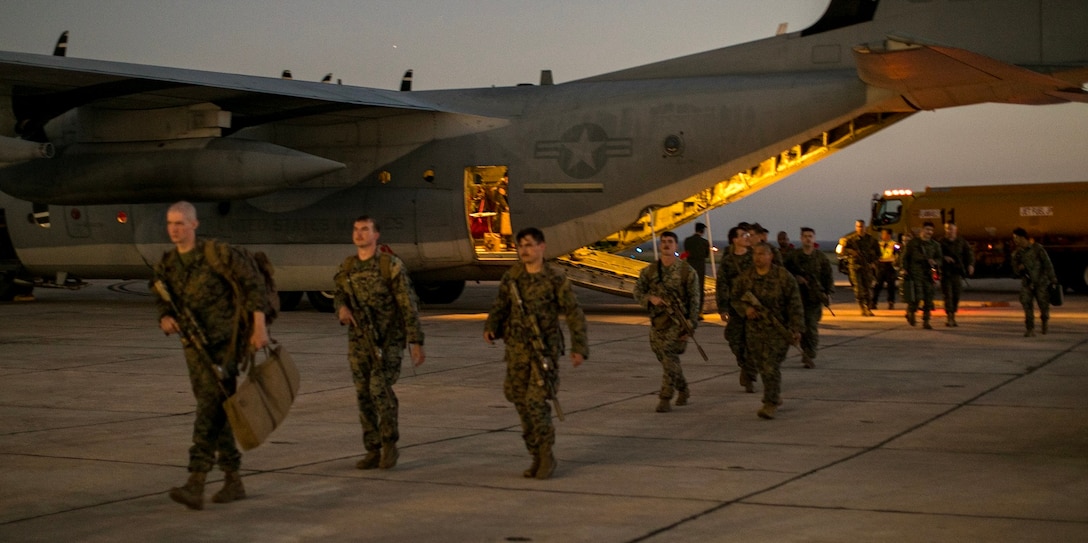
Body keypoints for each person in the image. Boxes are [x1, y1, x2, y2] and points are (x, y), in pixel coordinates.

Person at [153, 201, 270, 510]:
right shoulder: (167, 264)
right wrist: (165, 317)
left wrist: (259, 327)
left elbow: (253, 285)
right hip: (194, 349)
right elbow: (160, 294)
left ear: (194, 224)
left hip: (225, 346)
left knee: (209, 408)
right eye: (170, 223)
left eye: (180, 223)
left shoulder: (216, 255)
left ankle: (196, 481)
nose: (175, 229)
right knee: (219, 410)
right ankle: (233, 479)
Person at [484, 227, 588, 479]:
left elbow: (574, 312)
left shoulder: (554, 278)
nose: (524, 250)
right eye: (521, 246)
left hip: (544, 352)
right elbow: (500, 306)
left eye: (529, 245)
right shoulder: (512, 277)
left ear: (542, 247)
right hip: (517, 351)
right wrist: (490, 327)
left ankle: (546, 455)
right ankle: (535, 454)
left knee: (536, 402)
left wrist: (579, 347)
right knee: (518, 400)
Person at [334, 216, 425, 471]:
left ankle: (389, 444)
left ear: (376, 236)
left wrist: (415, 341)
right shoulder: (349, 266)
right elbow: (339, 291)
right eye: (356, 229)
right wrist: (341, 308)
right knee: (363, 394)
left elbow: (408, 304)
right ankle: (372, 449)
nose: (359, 234)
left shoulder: (390, 266)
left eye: (365, 230)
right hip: (359, 342)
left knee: (379, 389)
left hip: (388, 341)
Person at [731, 242, 803, 419]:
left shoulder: (783, 277)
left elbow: (795, 304)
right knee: (763, 366)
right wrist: (745, 309)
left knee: (771, 365)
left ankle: (769, 402)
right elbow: (734, 298)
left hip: (777, 330)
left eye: (762, 254)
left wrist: (796, 328)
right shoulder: (746, 277)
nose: (758, 257)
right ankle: (775, 395)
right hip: (754, 331)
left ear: (771, 256)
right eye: (755, 253)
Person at [634, 231, 701, 413]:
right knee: (665, 358)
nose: (666, 244)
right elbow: (637, 291)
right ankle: (684, 389)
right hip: (658, 323)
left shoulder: (687, 272)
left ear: (676, 246)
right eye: (663, 242)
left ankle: (665, 397)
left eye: (670, 242)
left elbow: (695, 301)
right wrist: (650, 298)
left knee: (669, 354)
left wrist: (691, 325)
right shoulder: (650, 271)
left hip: (678, 323)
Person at [783, 227, 833, 369]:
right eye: (805, 236)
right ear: (801, 238)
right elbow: (784, 272)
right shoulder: (794, 256)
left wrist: (828, 293)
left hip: (814, 298)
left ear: (814, 238)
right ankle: (805, 351)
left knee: (811, 326)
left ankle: (809, 354)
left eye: (810, 236)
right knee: (799, 327)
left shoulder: (820, 257)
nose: (808, 239)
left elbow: (828, 276)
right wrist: (795, 277)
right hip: (797, 298)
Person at [716, 226, 755, 392]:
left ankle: (749, 374)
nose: (746, 237)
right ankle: (745, 366)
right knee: (734, 339)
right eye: (742, 235)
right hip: (735, 308)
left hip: (755, 307)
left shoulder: (755, 257)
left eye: (747, 234)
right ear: (735, 240)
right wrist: (722, 308)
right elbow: (722, 284)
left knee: (754, 342)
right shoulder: (728, 261)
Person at [1012, 227, 1057, 337]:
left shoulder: (1037, 249)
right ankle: (1030, 328)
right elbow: (1015, 271)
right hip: (1027, 283)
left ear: (1022, 237)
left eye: (1016, 237)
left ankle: (1044, 321)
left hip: (1041, 282)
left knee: (1043, 305)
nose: (1014, 240)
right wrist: (1019, 268)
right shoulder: (1017, 253)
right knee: (1027, 305)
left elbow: (1047, 264)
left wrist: (1053, 279)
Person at [901, 221, 943, 329]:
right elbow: (905, 257)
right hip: (915, 273)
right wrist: (904, 269)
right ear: (922, 230)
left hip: (929, 274)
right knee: (917, 296)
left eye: (931, 230)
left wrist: (935, 262)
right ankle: (911, 312)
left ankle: (926, 320)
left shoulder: (935, 245)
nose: (929, 232)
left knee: (929, 297)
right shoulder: (913, 243)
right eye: (927, 230)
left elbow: (940, 258)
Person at [939, 222, 975, 327]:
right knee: (948, 295)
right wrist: (944, 258)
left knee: (956, 295)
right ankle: (950, 316)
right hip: (946, 273)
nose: (950, 231)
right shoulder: (941, 242)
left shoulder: (961, 241)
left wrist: (970, 265)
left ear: (956, 230)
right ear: (945, 230)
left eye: (952, 229)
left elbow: (969, 253)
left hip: (957, 273)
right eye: (948, 229)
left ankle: (953, 312)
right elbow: (936, 254)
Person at [842, 219, 879, 316]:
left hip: (867, 267)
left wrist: (873, 262)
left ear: (865, 227)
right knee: (858, 289)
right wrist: (851, 252)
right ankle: (863, 307)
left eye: (861, 226)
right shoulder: (850, 240)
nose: (860, 228)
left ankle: (867, 307)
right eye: (858, 226)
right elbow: (842, 251)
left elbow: (878, 253)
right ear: (855, 227)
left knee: (867, 288)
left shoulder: (871, 240)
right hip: (855, 266)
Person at [682, 223, 711, 317]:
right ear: (702, 231)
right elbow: (707, 255)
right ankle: (699, 312)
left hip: (689, 266)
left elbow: (686, 253)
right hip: (700, 267)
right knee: (699, 289)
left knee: (688, 288)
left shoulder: (688, 241)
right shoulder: (705, 242)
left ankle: (688, 310)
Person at [872, 228, 899, 310]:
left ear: (889, 235)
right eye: (882, 234)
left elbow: (898, 255)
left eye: (884, 234)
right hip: (880, 266)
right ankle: (873, 302)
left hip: (890, 266)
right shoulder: (878, 244)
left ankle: (891, 302)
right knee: (878, 285)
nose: (882, 235)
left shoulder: (895, 245)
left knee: (891, 286)